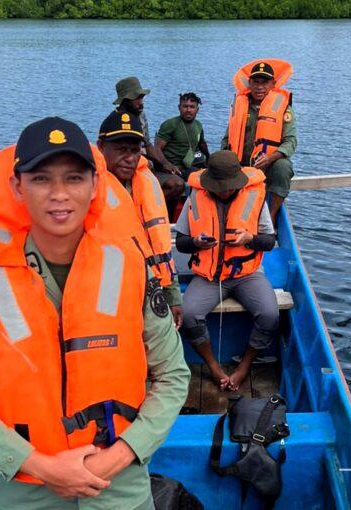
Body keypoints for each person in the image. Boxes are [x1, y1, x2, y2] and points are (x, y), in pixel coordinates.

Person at [0, 117, 189, 510]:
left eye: (73, 178)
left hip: (119, 487)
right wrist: (44, 467)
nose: (58, 194)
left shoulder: (131, 267)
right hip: (27, 491)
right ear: (17, 187)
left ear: (95, 185)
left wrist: (117, 456)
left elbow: (172, 376)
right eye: (40, 179)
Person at [175, 150, 279, 392]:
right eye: (218, 186)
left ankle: (243, 367)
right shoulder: (195, 198)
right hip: (209, 277)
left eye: (227, 187)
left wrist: (249, 238)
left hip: (248, 274)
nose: (222, 191)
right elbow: (180, 242)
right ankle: (213, 367)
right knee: (189, 314)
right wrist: (196, 242)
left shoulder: (255, 198)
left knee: (270, 315)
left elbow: (270, 241)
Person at [96, 109, 183, 328]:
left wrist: (173, 295)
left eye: (135, 151)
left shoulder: (146, 185)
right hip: (105, 294)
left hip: (150, 286)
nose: (130, 158)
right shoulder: (86, 190)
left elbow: (160, 244)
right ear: (100, 147)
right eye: (121, 150)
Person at [221, 60, 297, 224]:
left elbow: (290, 142)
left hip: (267, 164)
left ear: (273, 84)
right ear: (250, 83)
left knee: (284, 167)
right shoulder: (240, 105)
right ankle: (227, 218)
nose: (259, 87)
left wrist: (270, 158)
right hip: (240, 163)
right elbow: (227, 139)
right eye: (256, 81)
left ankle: (270, 217)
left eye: (265, 82)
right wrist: (227, 160)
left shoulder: (283, 107)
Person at [114, 76, 185, 215]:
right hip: (130, 170)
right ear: (126, 100)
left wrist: (165, 164)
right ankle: (141, 216)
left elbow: (147, 144)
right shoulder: (115, 121)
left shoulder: (141, 116)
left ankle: (164, 222)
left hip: (147, 168)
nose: (141, 103)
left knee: (177, 184)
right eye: (137, 99)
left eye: (142, 98)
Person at [155, 92, 210, 180]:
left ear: (197, 109)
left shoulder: (198, 125)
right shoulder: (171, 124)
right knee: (203, 178)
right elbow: (157, 148)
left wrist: (208, 157)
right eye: (185, 106)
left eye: (192, 107)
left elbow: (202, 144)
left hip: (188, 166)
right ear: (179, 108)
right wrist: (167, 164)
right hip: (172, 168)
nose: (188, 110)